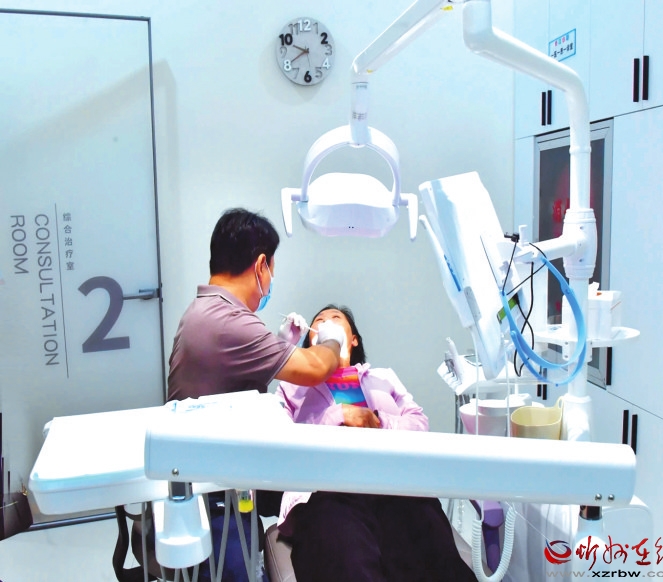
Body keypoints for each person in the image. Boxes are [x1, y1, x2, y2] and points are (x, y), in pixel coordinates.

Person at [166, 208, 347, 582]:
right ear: (261, 265)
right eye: (272, 271)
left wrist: (281, 346)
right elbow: (315, 368)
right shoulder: (229, 323)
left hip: (213, 478)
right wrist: (332, 340)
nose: (271, 281)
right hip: (215, 495)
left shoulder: (204, 311)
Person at [275, 305, 478, 582]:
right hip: (328, 492)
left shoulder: (383, 378)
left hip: (393, 486)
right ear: (311, 339)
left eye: (336, 319)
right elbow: (281, 440)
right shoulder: (292, 388)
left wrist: (379, 421)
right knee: (346, 552)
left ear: (353, 339)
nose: (326, 324)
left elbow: (419, 424)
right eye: (319, 322)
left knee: (427, 535)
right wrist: (338, 415)